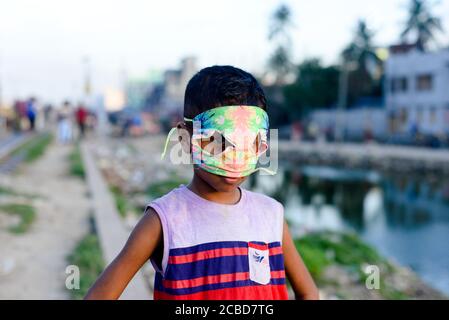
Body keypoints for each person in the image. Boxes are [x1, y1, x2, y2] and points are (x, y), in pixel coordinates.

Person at [85, 66, 319, 300]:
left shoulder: (271, 216)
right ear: (186, 138)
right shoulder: (164, 220)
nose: (234, 156)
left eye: (249, 142)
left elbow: (309, 294)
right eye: (218, 141)